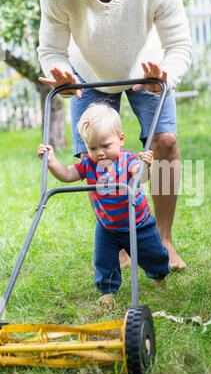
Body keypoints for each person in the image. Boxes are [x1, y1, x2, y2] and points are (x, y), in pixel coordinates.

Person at [37, 0, 192, 270]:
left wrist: (166, 76)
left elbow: (179, 44)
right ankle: (118, 238)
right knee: (91, 156)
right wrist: (64, 79)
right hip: (87, 73)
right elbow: (51, 49)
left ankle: (162, 240)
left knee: (165, 141)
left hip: (148, 70)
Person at [37, 103, 170, 307]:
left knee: (155, 257)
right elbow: (67, 174)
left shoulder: (128, 159)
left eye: (106, 146)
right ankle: (107, 292)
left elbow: (140, 178)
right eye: (92, 148)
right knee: (104, 261)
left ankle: (159, 274)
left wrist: (145, 166)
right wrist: (52, 161)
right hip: (107, 226)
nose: (99, 153)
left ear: (121, 139)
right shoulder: (88, 164)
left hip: (138, 223)